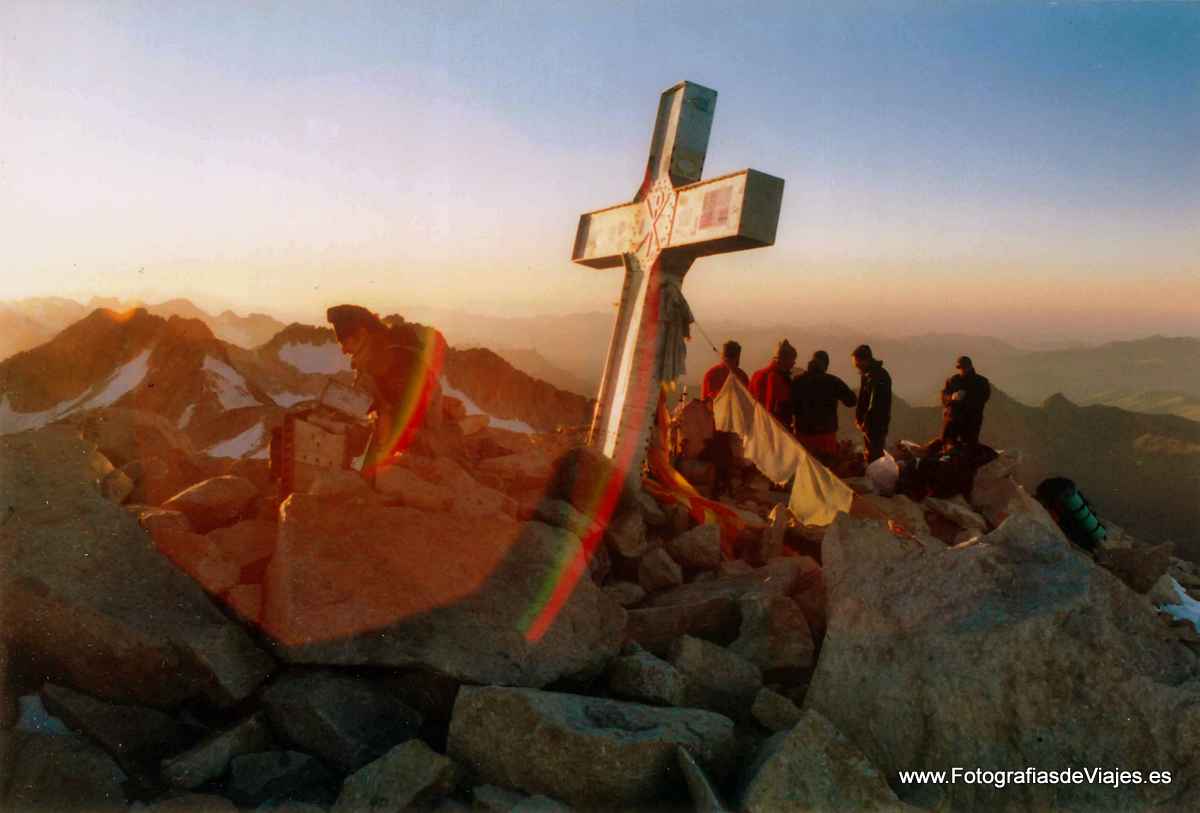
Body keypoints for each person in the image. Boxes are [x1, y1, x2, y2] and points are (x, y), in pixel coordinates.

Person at [326, 304, 442, 480]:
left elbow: (405, 419)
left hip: (422, 444)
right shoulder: (378, 356)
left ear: (363, 335)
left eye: (344, 342)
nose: (343, 350)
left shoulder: (397, 361)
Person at [791, 350, 857, 464]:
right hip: (826, 436)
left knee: (805, 469)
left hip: (803, 435)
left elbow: (790, 406)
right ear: (825, 365)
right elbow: (851, 401)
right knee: (826, 470)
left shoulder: (797, 381)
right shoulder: (833, 381)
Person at [851, 344, 892, 463]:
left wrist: (866, 422)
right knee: (870, 453)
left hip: (876, 424)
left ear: (865, 360)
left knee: (875, 454)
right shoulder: (867, 375)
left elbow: (875, 403)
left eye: (857, 362)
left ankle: (877, 476)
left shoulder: (879, 376)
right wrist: (859, 418)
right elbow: (862, 399)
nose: (856, 366)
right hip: (869, 424)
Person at [940, 355, 991, 447]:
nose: (962, 369)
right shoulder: (953, 380)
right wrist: (951, 397)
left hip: (970, 421)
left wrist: (964, 398)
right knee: (945, 443)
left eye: (964, 367)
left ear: (970, 366)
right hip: (953, 420)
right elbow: (944, 396)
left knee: (969, 446)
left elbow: (982, 399)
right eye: (960, 367)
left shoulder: (981, 382)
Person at [749, 339, 797, 426]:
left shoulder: (756, 374)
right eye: (792, 360)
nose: (794, 363)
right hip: (773, 429)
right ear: (784, 360)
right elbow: (777, 408)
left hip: (756, 425)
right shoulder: (778, 378)